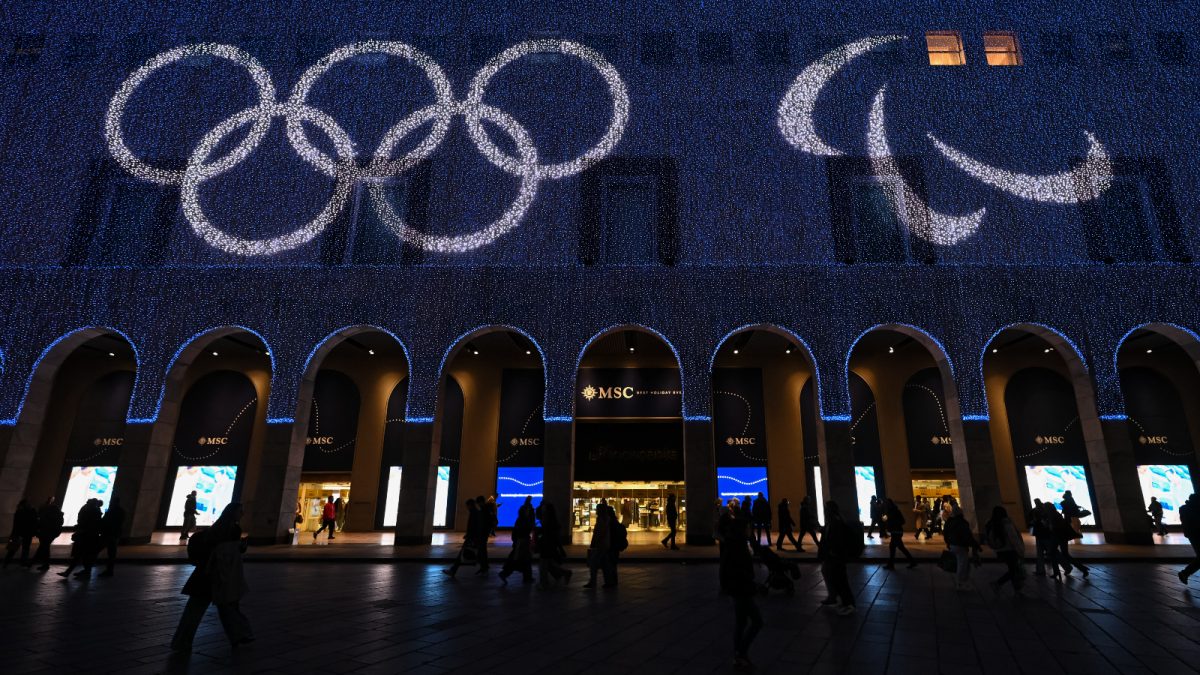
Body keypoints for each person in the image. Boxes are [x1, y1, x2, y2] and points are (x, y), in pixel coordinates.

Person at [171, 502, 254, 651]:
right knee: (229, 608)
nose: (242, 514)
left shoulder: (215, 528)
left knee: (194, 611)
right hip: (219, 577)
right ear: (233, 512)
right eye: (240, 511)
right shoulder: (233, 530)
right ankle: (238, 636)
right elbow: (228, 554)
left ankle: (181, 642)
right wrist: (240, 548)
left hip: (204, 575)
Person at [719, 507, 763, 671]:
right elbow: (738, 569)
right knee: (756, 621)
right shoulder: (738, 547)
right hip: (741, 589)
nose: (750, 531)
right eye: (748, 528)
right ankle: (741, 653)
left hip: (737, 589)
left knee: (741, 622)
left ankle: (738, 654)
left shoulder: (734, 543)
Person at [817, 500, 855, 615]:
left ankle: (849, 604)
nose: (825, 510)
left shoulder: (836, 521)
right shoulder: (833, 521)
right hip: (832, 555)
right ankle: (833, 596)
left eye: (826, 508)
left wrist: (834, 552)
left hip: (836, 556)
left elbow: (838, 539)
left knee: (840, 579)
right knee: (828, 572)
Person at [983, 505, 1025, 595]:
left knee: (1013, 569)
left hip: (1000, 550)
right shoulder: (1006, 523)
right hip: (1010, 550)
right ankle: (999, 583)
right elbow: (1013, 538)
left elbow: (987, 538)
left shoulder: (990, 523)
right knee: (1014, 569)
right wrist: (1020, 550)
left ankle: (1016, 588)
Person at [59, 498, 103, 579]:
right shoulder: (95, 511)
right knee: (85, 556)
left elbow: (84, 522)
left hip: (85, 536)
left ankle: (71, 572)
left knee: (79, 555)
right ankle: (85, 572)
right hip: (89, 536)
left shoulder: (89, 510)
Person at [943, 505, 981, 591]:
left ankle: (962, 581)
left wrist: (948, 543)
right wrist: (975, 545)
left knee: (962, 563)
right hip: (960, 545)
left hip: (953, 544)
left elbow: (946, 534)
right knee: (962, 564)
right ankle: (960, 582)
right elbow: (967, 535)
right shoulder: (963, 522)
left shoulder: (949, 522)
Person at [444, 499, 486, 578]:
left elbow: (472, 526)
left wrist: (469, 535)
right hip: (475, 537)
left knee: (462, 554)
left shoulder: (473, 513)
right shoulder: (477, 512)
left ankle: (453, 570)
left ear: (469, 505)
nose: (466, 507)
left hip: (472, 538)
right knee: (478, 553)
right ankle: (484, 568)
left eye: (467, 506)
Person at [535, 501, 571, 588]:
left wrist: (539, 531)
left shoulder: (548, 519)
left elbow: (548, 532)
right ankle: (563, 573)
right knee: (548, 563)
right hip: (549, 544)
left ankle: (544, 583)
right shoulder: (550, 519)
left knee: (544, 563)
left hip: (547, 543)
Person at [499, 498, 535, 585]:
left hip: (520, 542)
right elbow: (524, 530)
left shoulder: (520, 520)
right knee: (520, 559)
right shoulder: (524, 520)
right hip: (522, 542)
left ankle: (525, 576)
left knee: (519, 559)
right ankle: (525, 576)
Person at [1049, 503, 1089, 578]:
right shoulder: (1056, 514)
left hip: (1058, 537)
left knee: (1054, 553)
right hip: (1061, 537)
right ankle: (1082, 568)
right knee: (1064, 554)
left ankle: (1057, 572)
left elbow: (1054, 527)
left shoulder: (1052, 516)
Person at [584, 503, 617, 588]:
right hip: (604, 544)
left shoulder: (602, 519)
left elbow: (600, 532)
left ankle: (593, 581)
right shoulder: (606, 519)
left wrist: (595, 541)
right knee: (605, 564)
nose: (596, 511)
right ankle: (609, 581)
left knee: (593, 563)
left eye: (597, 509)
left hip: (601, 544)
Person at [1030, 501, 1061, 580]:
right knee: (1052, 553)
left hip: (1044, 536)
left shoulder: (1044, 515)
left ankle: (1042, 570)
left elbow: (1047, 526)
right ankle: (1063, 568)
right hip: (1046, 536)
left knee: (1048, 553)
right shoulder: (1049, 514)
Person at [883, 498, 916, 570]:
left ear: (890, 504)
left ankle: (892, 564)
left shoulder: (895, 511)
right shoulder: (890, 512)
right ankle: (892, 564)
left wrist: (893, 523)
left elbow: (902, 521)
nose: (886, 505)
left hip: (896, 532)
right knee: (894, 547)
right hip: (895, 532)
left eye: (887, 504)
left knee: (897, 547)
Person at [4, 498, 37, 568]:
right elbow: (34, 522)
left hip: (19, 533)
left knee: (13, 549)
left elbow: (16, 524)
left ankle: (6, 562)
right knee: (25, 549)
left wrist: (13, 533)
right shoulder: (31, 511)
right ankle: (23, 562)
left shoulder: (19, 512)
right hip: (27, 533)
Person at [32, 497, 64, 572]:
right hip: (51, 534)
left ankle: (43, 564)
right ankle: (37, 563)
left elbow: (43, 523)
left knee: (44, 548)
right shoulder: (58, 516)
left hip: (46, 533)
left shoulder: (48, 515)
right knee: (43, 547)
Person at [97, 496, 125, 577]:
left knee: (96, 549)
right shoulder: (121, 511)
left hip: (108, 534)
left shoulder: (111, 511)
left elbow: (105, 521)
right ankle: (110, 570)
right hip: (115, 534)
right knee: (111, 554)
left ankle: (88, 568)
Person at [1179, 494, 1198, 585]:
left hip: (1193, 534)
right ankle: (1185, 573)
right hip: (1195, 534)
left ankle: (1185, 573)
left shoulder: (1185, 509)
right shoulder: (1189, 509)